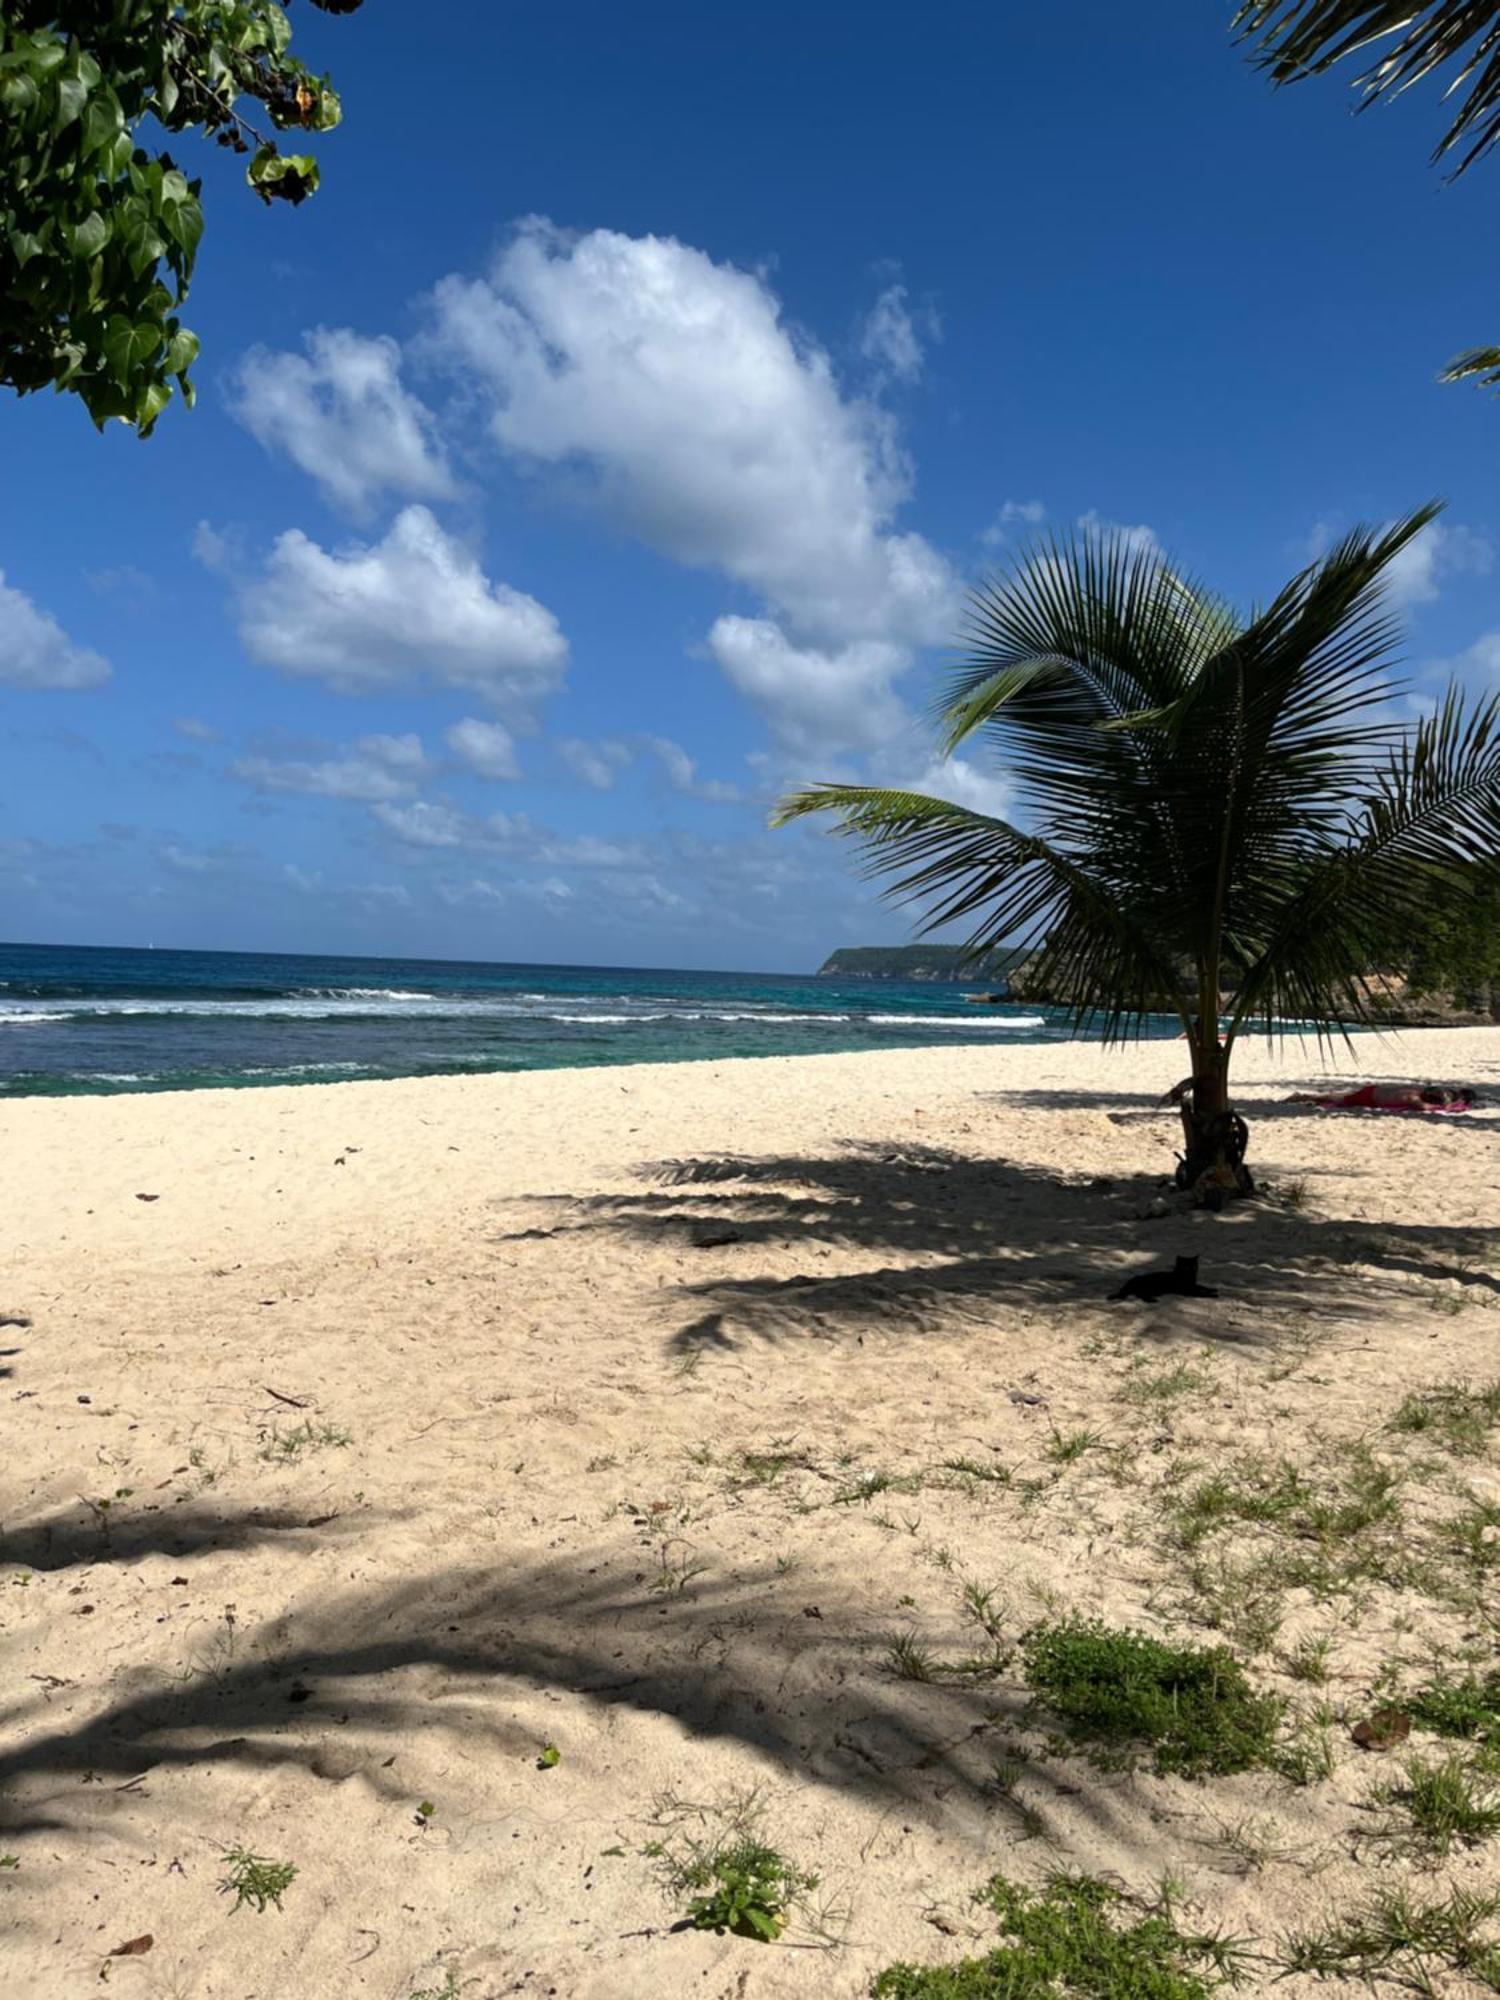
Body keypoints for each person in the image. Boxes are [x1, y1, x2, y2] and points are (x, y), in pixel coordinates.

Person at [1288, 1082, 1479, 1113]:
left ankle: (1307, 1096)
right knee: (1337, 1099)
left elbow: (1437, 1093)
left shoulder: (1417, 1090)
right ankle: (1304, 1096)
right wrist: (1447, 1106)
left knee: (1339, 1096)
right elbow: (1426, 1108)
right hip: (1369, 1098)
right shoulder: (1414, 1099)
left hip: (1374, 1091)